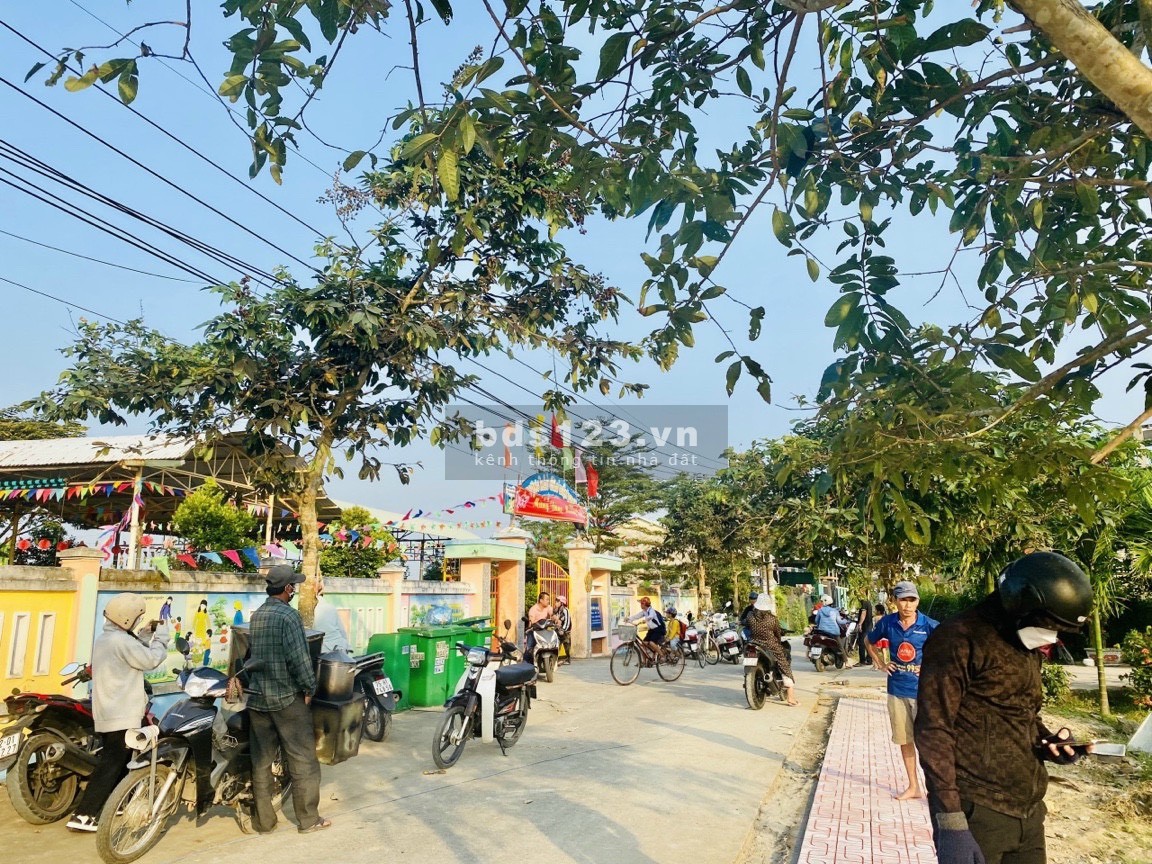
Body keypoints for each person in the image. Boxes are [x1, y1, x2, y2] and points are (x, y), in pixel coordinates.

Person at [915, 552, 1094, 864]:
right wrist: (951, 823)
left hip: (1029, 810)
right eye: (1050, 626)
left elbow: (1022, 713)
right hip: (978, 810)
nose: (1052, 637)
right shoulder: (959, 639)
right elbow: (933, 730)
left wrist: (1051, 742)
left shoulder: (1024, 643)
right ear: (1021, 604)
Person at [66, 593, 169, 832]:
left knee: (122, 760)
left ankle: (117, 805)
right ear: (127, 619)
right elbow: (150, 660)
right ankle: (84, 815)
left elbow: (131, 653)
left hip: (107, 712)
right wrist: (162, 637)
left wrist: (144, 635)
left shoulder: (106, 639)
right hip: (123, 714)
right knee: (111, 764)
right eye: (137, 618)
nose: (138, 621)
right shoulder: (121, 642)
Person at [247, 564, 330, 834]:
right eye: (293, 585)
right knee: (303, 759)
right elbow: (299, 659)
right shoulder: (289, 616)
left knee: (261, 762)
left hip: (258, 698)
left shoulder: (257, 615)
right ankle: (308, 820)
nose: (294, 589)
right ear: (287, 589)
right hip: (286, 698)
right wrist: (309, 688)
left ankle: (264, 822)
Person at [865, 581, 938, 800]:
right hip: (897, 690)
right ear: (895, 601)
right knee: (905, 740)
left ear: (918, 601)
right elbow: (869, 641)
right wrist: (881, 663)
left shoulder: (930, 625)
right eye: (903, 600)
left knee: (930, 742)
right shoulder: (887, 623)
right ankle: (913, 786)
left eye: (912, 600)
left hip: (924, 693)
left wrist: (930, 667)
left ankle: (938, 790)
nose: (907, 605)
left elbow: (947, 650)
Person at [745, 593, 799, 705]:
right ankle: (791, 697)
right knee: (784, 665)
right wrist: (777, 641)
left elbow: (747, 625)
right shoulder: (772, 619)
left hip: (754, 642)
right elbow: (777, 634)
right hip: (771, 645)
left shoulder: (750, 615)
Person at [313, 579, 353, 654]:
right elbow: (342, 631)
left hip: (324, 650)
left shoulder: (311, 609)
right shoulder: (330, 607)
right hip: (339, 646)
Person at [526, 591, 553, 659]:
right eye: (547, 599)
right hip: (534, 631)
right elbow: (531, 622)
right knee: (529, 648)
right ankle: (527, 660)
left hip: (544, 631)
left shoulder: (548, 607)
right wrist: (530, 626)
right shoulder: (533, 609)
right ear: (541, 600)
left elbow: (552, 614)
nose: (548, 601)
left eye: (548, 599)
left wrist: (556, 619)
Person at [553, 595, 573, 664]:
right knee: (557, 645)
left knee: (567, 646)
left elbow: (567, 621)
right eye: (556, 601)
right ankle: (555, 660)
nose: (556, 603)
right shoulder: (557, 610)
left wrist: (564, 630)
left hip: (565, 631)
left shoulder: (565, 610)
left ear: (562, 602)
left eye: (557, 601)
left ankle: (568, 659)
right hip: (558, 630)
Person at [855, 600, 874, 667]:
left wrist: (860, 624)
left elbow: (863, 613)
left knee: (862, 643)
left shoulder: (864, 602)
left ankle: (862, 661)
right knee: (867, 643)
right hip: (869, 626)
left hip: (865, 626)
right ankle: (869, 660)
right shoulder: (868, 601)